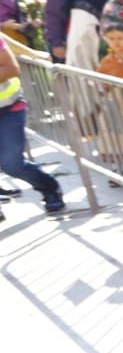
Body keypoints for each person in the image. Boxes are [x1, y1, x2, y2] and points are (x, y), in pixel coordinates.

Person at [0, 39, 65, 219]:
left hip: (7, 109)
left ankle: (49, 188)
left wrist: (31, 52)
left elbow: (11, 68)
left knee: (12, 164)